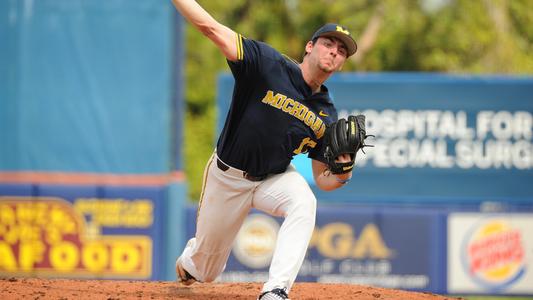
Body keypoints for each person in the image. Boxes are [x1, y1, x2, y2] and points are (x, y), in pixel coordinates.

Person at [171, 1, 359, 299]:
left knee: (304, 202)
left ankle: (275, 290)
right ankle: (191, 260)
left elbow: (323, 179)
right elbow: (211, 29)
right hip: (229, 177)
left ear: (342, 61)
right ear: (310, 47)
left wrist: (345, 170)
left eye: (342, 50)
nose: (334, 50)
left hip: (273, 177)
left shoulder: (327, 114)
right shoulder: (266, 64)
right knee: (204, 272)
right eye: (328, 43)